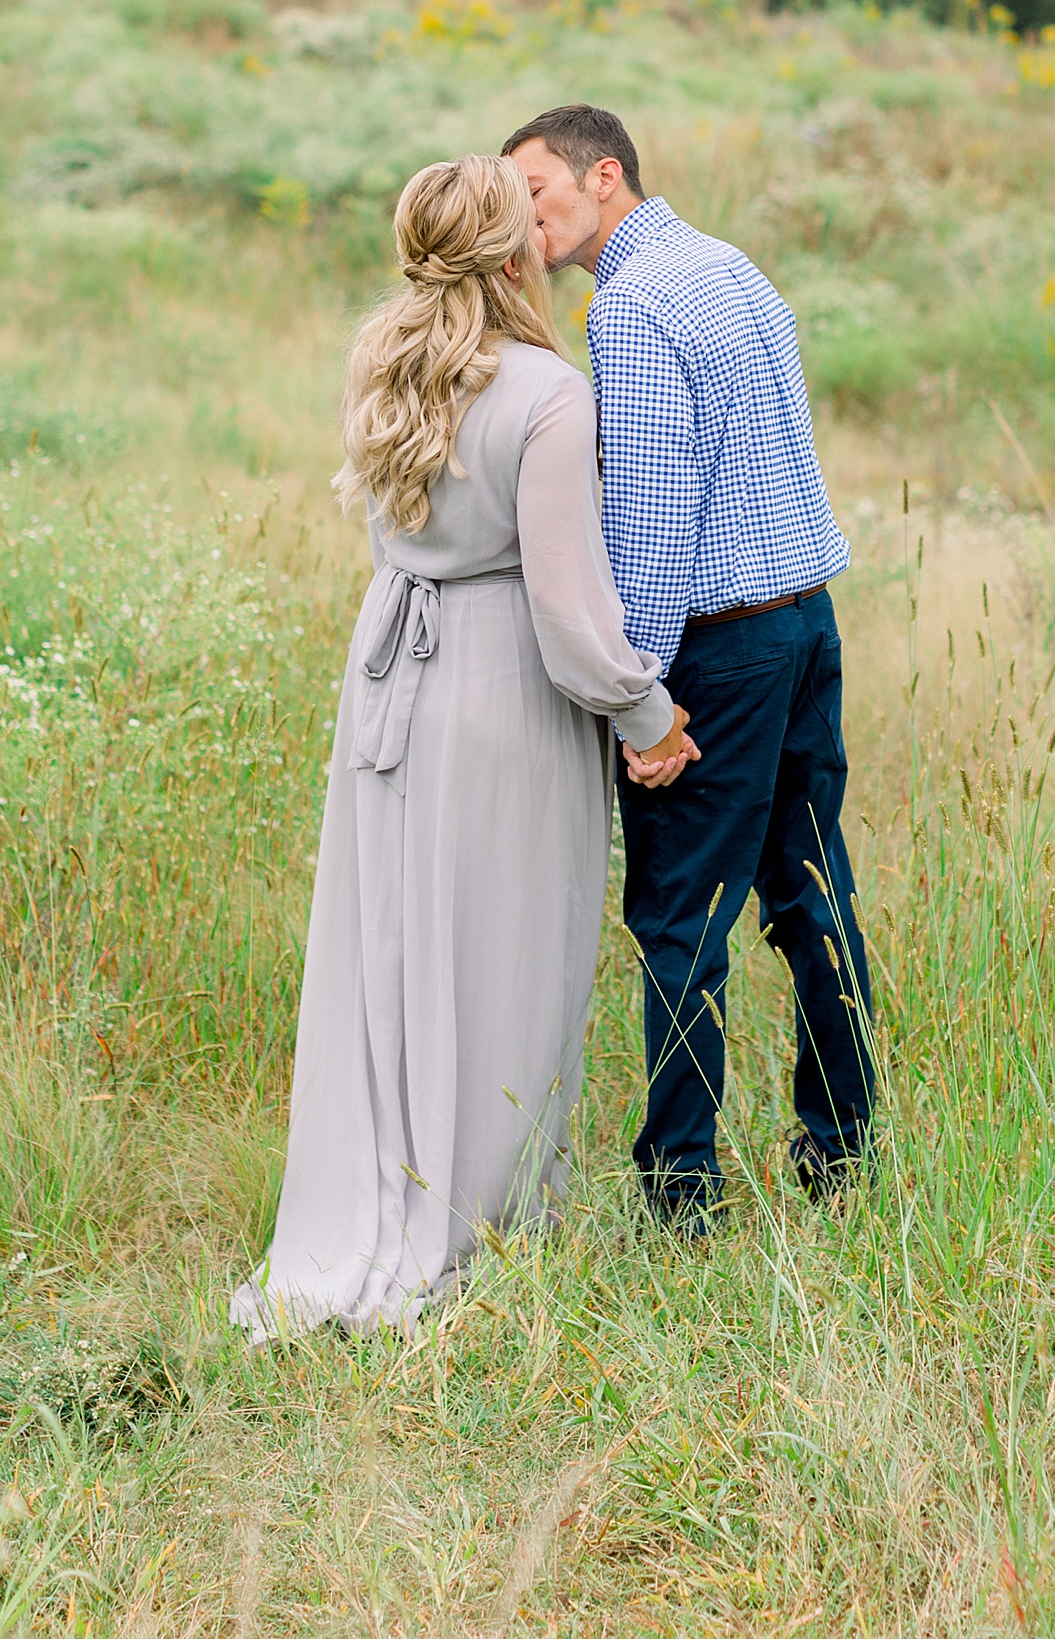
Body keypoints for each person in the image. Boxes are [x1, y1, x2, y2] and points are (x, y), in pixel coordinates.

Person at [231, 155, 695, 1340]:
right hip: (501, 689)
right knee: (504, 954)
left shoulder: (382, 357)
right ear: (516, 254)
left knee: (389, 946)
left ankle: (375, 1199)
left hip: (388, 669)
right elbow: (569, 608)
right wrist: (648, 713)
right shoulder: (548, 391)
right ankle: (478, 1224)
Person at [503, 103, 874, 1224]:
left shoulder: (631, 304)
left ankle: (679, 1189)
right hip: (806, 623)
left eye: (536, 186)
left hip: (721, 651)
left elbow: (657, 526)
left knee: (680, 921)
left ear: (602, 174)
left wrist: (642, 701)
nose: (524, 212)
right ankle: (841, 1148)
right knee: (815, 894)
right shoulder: (726, 263)